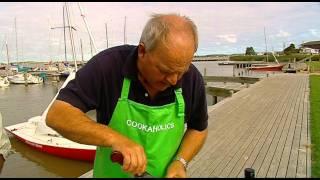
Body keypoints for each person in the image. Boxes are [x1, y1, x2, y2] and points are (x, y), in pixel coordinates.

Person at [46, 13, 208, 178]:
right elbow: (57, 115)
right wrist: (115, 138)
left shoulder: (192, 79)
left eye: (181, 72)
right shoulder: (107, 67)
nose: (174, 80)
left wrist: (181, 161)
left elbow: (198, 129)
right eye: (164, 70)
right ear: (142, 51)